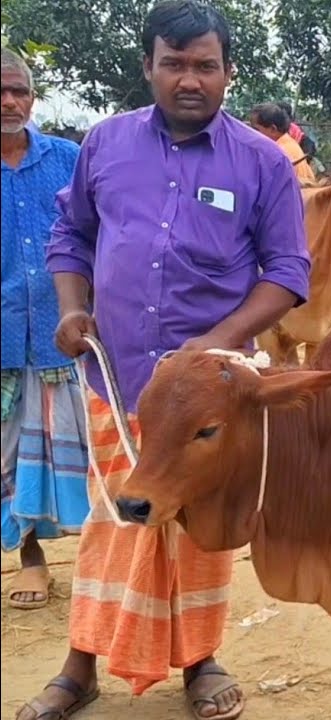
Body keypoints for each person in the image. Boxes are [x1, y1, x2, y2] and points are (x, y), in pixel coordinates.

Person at [20, 4, 311, 719]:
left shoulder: (263, 163)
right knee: (114, 521)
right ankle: (80, 665)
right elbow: (71, 236)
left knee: (200, 532)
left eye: (204, 65)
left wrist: (217, 341)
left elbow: (287, 273)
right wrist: (71, 308)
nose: (189, 79)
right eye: (174, 64)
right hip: (116, 379)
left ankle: (201, 662)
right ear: (148, 66)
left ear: (228, 72)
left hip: (211, 395)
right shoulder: (106, 143)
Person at [1, 48, 91, 613]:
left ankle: (99, 561)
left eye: (19, 92)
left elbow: (98, 232)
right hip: (4, 343)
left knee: (83, 454)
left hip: (70, 337)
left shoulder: (69, 159)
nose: (9, 102)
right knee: (9, 458)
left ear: (33, 98)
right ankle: (31, 557)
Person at [247, 101, 316, 184]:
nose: (251, 133)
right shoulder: (289, 144)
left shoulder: (280, 152)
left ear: (273, 129)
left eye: (256, 130)